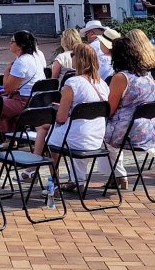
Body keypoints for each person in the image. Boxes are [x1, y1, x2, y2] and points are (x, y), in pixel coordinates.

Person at [36, 41, 107, 197]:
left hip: (78, 137)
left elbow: (61, 118)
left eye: (73, 55)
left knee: (51, 138)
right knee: (72, 129)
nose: (71, 57)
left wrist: (61, 110)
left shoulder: (72, 82)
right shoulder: (102, 84)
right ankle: (77, 180)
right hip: (97, 136)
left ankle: (54, 183)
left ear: (78, 59)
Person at [104, 30, 155, 181]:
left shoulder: (120, 77)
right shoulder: (146, 74)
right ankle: (116, 176)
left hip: (133, 131)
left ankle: (118, 176)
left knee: (99, 132)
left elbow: (110, 110)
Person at [0, 30, 46, 133]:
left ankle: (0, 137)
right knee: (2, 99)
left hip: (25, 101)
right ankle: (10, 135)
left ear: (20, 45)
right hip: (37, 99)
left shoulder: (21, 62)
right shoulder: (35, 57)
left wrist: (6, 72)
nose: (10, 43)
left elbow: (8, 88)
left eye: (12, 41)